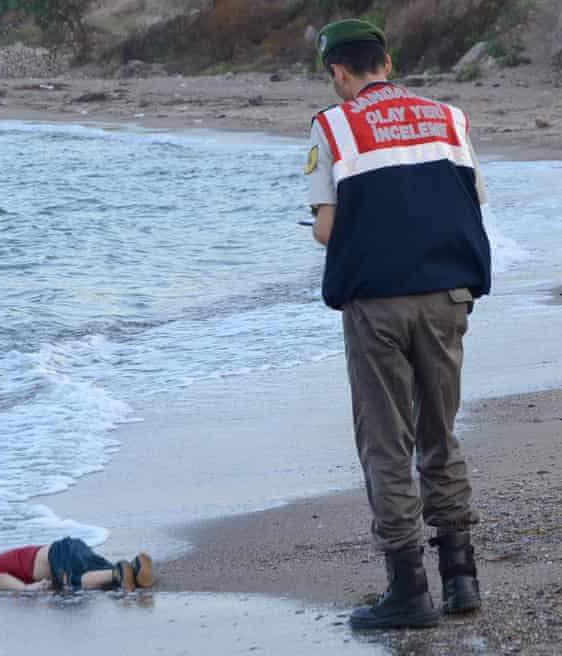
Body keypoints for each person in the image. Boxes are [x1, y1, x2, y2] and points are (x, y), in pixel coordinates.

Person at [305, 19, 492, 630]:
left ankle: (408, 591)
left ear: (338, 72)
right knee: (441, 431)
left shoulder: (333, 124)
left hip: (377, 304)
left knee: (387, 441)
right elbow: (472, 200)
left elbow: (329, 231)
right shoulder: (450, 117)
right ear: (387, 60)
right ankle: (462, 581)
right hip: (447, 296)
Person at [0, 536, 155, 593]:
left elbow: (1, 580)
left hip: (57, 555)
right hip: (68, 546)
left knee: (74, 581)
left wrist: (25, 588)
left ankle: (118, 573)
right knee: (97, 570)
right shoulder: (2, 559)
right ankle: (134, 568)